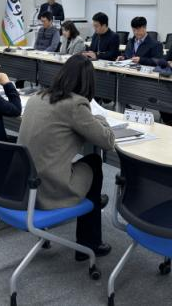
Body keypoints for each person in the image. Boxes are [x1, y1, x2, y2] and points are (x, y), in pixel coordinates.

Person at [17, 55, 115, 260]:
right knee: (94, 162)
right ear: (88, 82)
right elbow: (107, 141)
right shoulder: (76, 105)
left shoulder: (38, 96)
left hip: (23, 185)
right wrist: (100, 119)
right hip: (48, 188)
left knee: (82, 164)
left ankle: (93, 200)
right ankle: (89, 243)